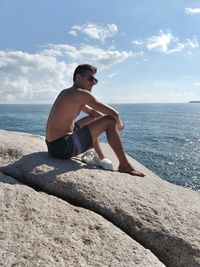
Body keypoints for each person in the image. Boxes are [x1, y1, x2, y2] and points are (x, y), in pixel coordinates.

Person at [45, 64, 145, 177]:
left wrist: (100, 125)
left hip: (53, 146)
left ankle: (101, 157)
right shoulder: (81, 93)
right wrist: (118, 126)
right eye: (90, 78)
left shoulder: (68, 93)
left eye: (95, 80)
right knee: (110, 120)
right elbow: (114, 114)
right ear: (78, 78)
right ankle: (124, 165)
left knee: (96, 122)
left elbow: (93, 114)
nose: (93, 83)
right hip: (63, 147)